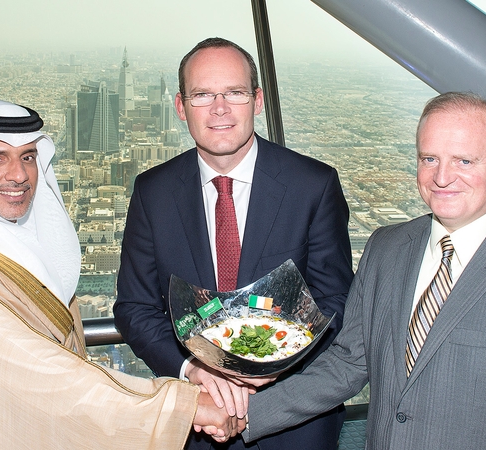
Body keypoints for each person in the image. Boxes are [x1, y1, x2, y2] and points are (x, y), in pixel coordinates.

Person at [242, 92, 486, 449]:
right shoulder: (386, 248)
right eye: (429, 158)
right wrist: (243, 415)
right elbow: (347, 363)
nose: (442, 177)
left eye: (464, 161)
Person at [0, 98, 241, 449]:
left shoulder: (16, 245)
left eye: (28, 157)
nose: (18, 175)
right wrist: (181, 407)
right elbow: (44, 374)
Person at [114, 37, 354, 450]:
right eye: (203, 94)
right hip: (196, 424)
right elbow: (135, 307)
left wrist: (272, 365)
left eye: (235, 93)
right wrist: (192, 369)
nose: (219, 108)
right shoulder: (152, 192)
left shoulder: (312, 186)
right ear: (180, 106)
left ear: (258, 100)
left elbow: (334, 301)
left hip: (295, 426)